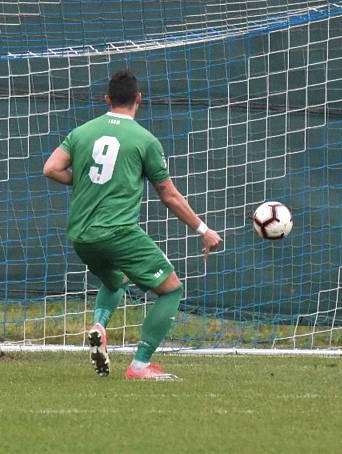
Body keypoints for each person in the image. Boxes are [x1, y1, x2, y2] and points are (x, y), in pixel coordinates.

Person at [43, 70, 222, 380]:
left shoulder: (82, 132)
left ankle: (99, 325)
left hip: (81, 235)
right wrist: (202, 230)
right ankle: (139, 365)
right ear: (139, 98)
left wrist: (85, 184)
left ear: (107, 99)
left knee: (115, 280)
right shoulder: (144, 140)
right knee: (170, 290)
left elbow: (51, 168)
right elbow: (168, 194)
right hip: (118, 233)